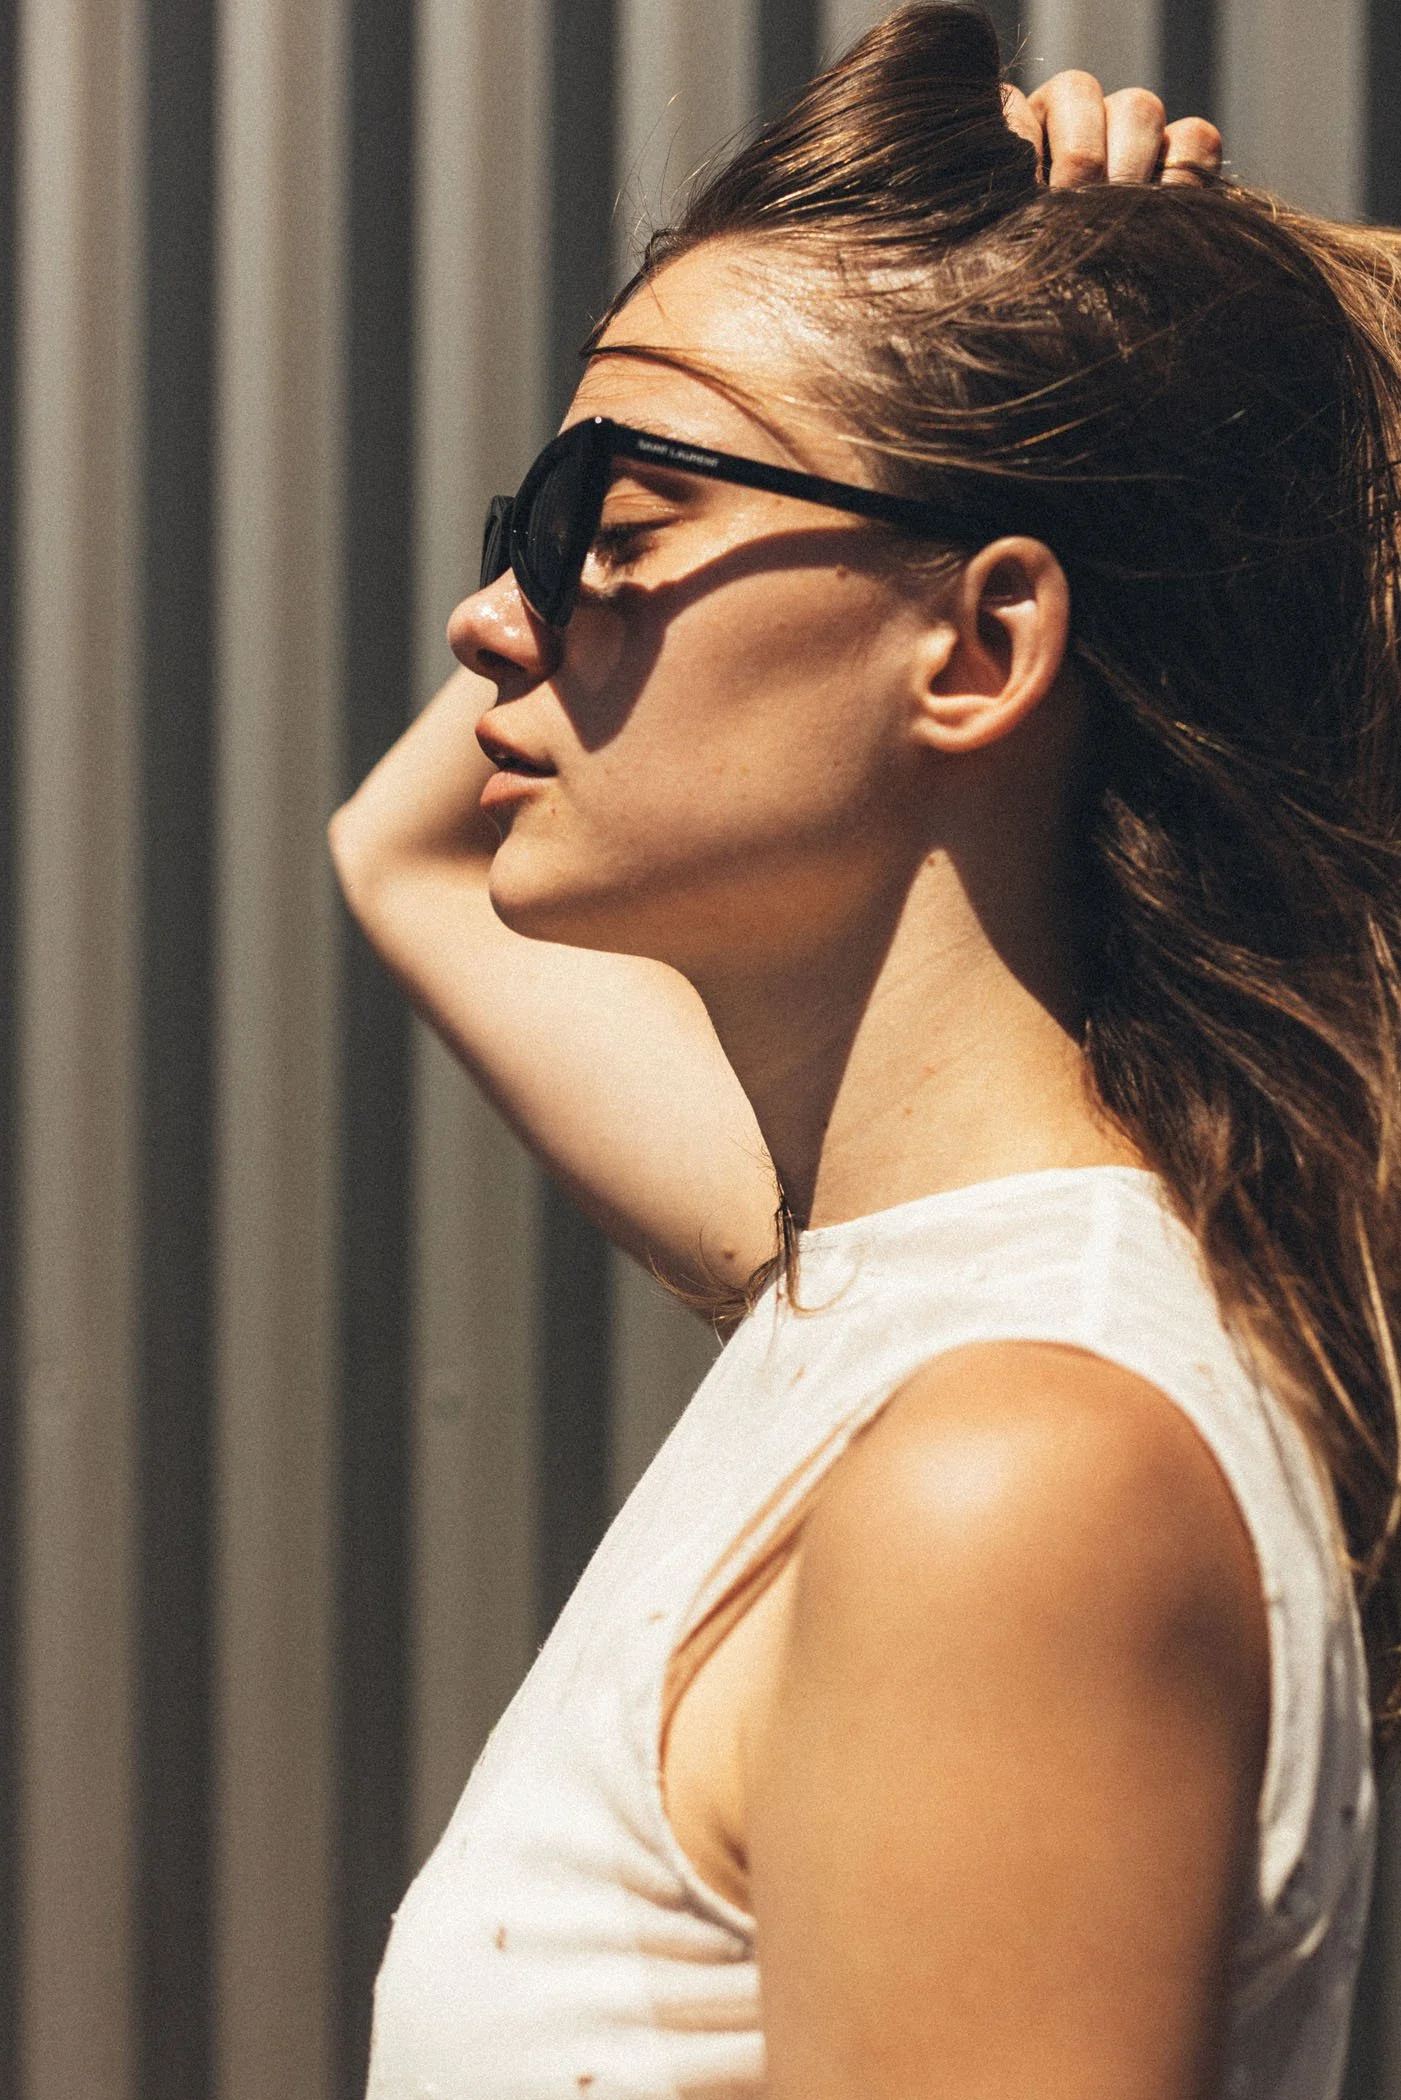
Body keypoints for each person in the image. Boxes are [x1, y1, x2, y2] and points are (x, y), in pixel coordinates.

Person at [330, 9, 1401, 2095]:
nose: (494, 619)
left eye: (617, 526)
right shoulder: (883, 1284)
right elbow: (410, 850)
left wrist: (1183, 292)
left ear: (982, 642)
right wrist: (1088, 306)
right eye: (521, 529)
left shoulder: (1016, 1476)